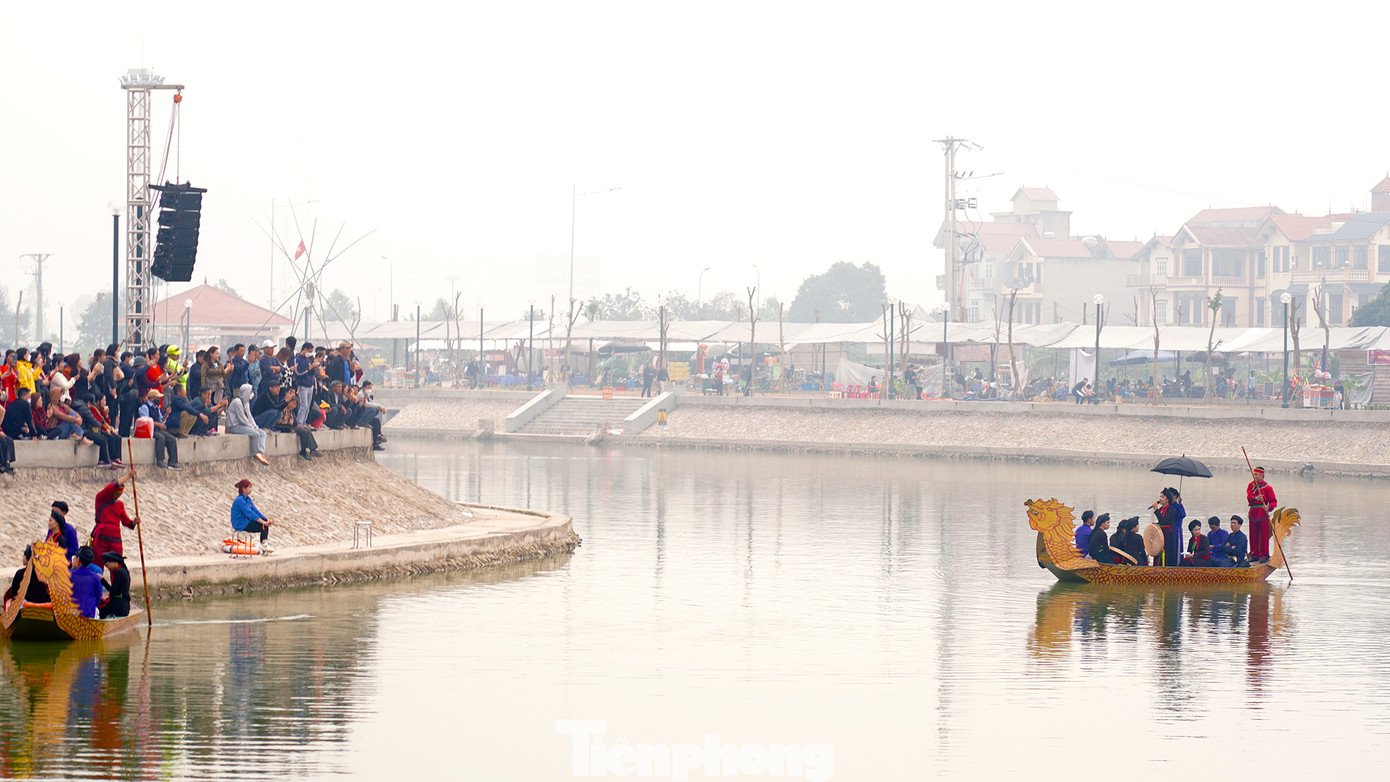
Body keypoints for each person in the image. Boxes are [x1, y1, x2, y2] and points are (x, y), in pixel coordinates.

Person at [91, 467, 140, 561]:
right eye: (115, 494)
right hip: (101, 537)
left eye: (119, 495)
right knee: (97, 564)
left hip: (115, 539)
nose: (116, 497)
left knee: (117, 564)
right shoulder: (100, 499)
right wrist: (128, 476)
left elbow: (126, 522)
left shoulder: (120, 505)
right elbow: (111, 487)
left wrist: (134, 522)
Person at [226, 384, 270, 465]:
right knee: (256, 434)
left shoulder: (246, 403)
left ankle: (261, 451)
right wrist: (252, 428)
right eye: (250, 392)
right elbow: (242, 419)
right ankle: (255, 452)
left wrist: (255, 426)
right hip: (236, 426)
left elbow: (250, 417)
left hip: (244, 426)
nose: (251, 394)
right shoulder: (237, 402)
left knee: (263, 433)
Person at [139, 389, 182, 470]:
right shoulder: (144, 407)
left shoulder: (156, 408)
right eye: (157, 398)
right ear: (152, 398)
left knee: (172, 439)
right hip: (148, 430)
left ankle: (173, 461)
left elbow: (161, 419)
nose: (159, 400)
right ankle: (160, 460)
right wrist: (158, 424)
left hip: (158, 429)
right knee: (160, 438)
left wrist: (166, 414)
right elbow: (145, 420)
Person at [230, 478, 275, 553]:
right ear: (243, 489)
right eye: (249, 487)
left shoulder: (248, 499)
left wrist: (266, 520)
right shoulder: (239, 500)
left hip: (247, 521)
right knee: (262, 525)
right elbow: (250, 513)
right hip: (241, 524)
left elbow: (255, 511)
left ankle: (264, 544)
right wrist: (263, 523)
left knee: (263, 522)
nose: (251, 489)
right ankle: (264, 544)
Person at [1246, 467, 1277, 563]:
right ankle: (1254, 554)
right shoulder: (1251, 485)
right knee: (1253, 534)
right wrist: (1256, 498)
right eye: (1254, 474)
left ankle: (1264, 555)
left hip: (1262, 512)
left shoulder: (1268, 487)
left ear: (1261, 475)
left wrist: (1268, 508)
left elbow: (1273, 502)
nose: (1254, 476)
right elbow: (1249, 497)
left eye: (1256, 474)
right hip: (1253, 512)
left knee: (1263, 535)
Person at [1150, 487, 1184, 567]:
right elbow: (1161, 521)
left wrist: (1156, 510)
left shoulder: (1172, 509)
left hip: (1170, 534)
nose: (1160, 499)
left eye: (1162, 497)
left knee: (1169, 554)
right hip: (1161, 534)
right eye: (1160, 497)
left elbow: (1164, 520)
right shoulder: (1162, 508)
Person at [68, 546, 103, 619]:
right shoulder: (96, 577)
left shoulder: (69, 575)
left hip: (72, 612)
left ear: (78, 559)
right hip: (90, 613)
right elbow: (98, 599)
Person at [99, 552, 131, 618]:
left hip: (118, 605)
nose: (108, 568)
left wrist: (102, 580)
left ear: (113, 562)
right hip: (124, 604)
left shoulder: (118, 572)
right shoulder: (124, 570)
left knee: (99, 612)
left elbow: (113, 591)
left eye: (107, 565)